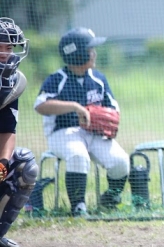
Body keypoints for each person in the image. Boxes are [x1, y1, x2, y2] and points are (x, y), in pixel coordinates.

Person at [34, 27, 129, 216]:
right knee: (78, 156)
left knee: (120, 162)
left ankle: (110, 199)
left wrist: (104, 118)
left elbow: (113, 108)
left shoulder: (98, 78)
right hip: (62, 133)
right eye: (90, 49)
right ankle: (78, 207)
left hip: (94, 133)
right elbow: (41, 105)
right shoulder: (57, 79)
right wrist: (75, 107)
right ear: (77, 54)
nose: (94, 53)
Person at [0, 17, 38, 247]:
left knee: (25, 165)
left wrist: (3, 163)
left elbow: (7, 130)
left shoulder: (12, 82)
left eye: (9, 47)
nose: (5, 54)